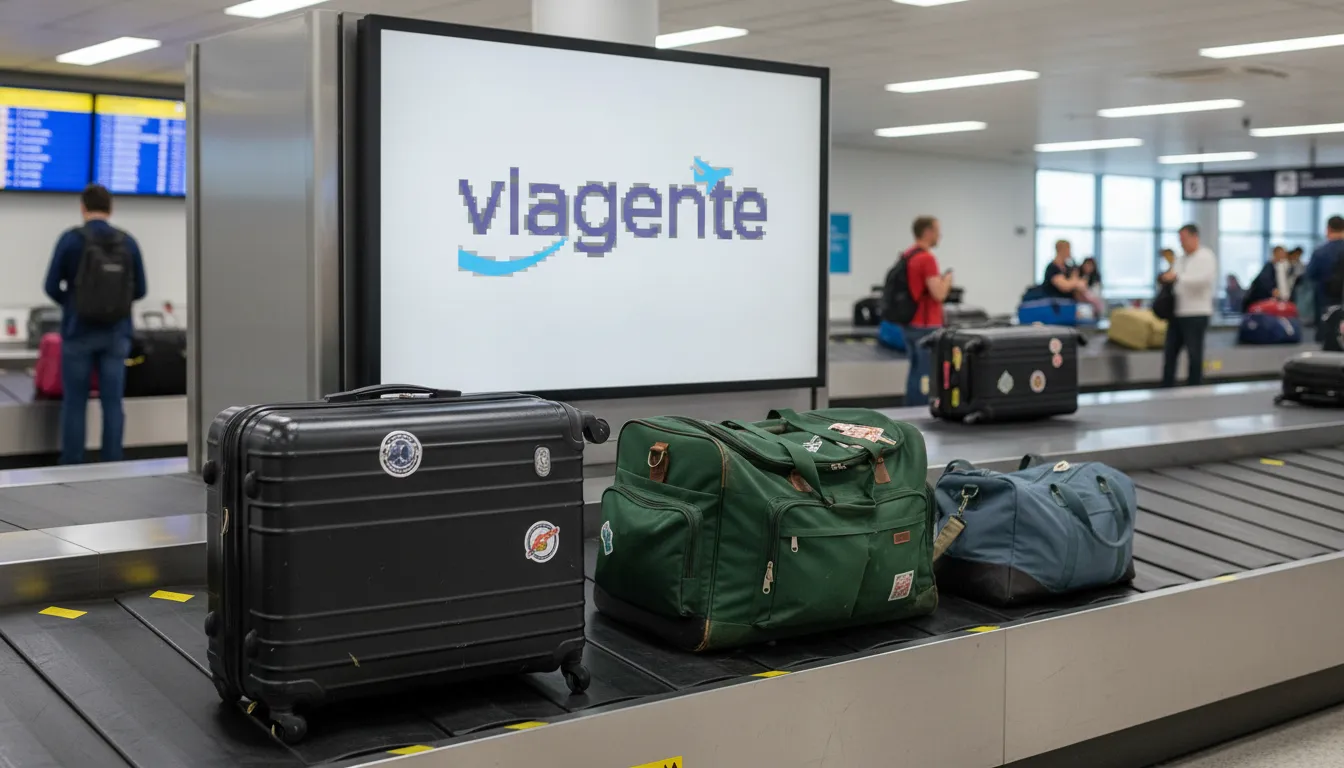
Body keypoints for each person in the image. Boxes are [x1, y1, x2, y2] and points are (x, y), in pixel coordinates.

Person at [42, 183, 148, 464]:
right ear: (111, 209)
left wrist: (74, 303)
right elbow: (141, 290)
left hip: (78, 333)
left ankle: (72, 465)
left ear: (83, 207)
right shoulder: (128, 241)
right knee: (112, 402)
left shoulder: (71, 239)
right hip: (116, 334)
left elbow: (51, 285)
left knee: (75, 403)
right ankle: (112, 463)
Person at [900, 215, 953, 406]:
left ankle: (910, 409)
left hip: (910, 323)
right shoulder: (926, 258)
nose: (940, 235)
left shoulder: (908, 255)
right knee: (925, 374)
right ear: (928, 232)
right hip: (926, 324)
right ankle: (920, 412)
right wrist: (947, 281)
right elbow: (938, 293)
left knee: (915, 371)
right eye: (938, 231)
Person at [1160, 224, 1216, 388]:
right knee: (1170, 353)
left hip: (1196, 313)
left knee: (1194, 353)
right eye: (1180, 240)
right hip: (1178, 312)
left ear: (1194, 237)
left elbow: (1203, 280)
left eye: (1184, 239)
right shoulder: (1181, 258)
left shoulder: (1206, 257)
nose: (1182, 243)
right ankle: (1167, 385)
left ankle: (1194, 386)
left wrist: (1177, 277)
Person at [1306, 217, 1344, 339]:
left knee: (1328, 337)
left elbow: (1310, 274)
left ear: (1328, 229)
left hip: (1326, 301)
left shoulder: (1320, 252)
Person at [1243, 246, 1287, 311]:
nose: (1284, 255)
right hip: (1256, 302)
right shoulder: (1269, 266)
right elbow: (1265, 282)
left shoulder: (1276, 267)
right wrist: (1273, 290)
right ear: (1276, 253)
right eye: (1282, 253)